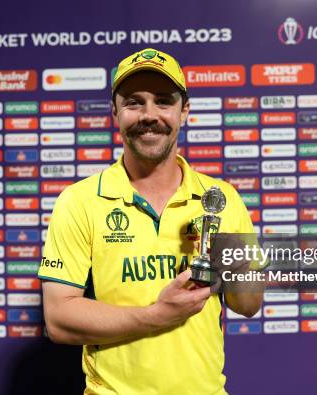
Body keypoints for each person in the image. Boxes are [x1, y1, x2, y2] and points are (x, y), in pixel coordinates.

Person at [38, 48, 264, 395]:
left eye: (163, 101)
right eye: (133, 102)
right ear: (114, 111)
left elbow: (248, 305)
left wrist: (231, 260)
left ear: (184, 111)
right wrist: (156, 315)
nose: (149, 115)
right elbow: (58, 320)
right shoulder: (79, 201)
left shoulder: (221, 198)